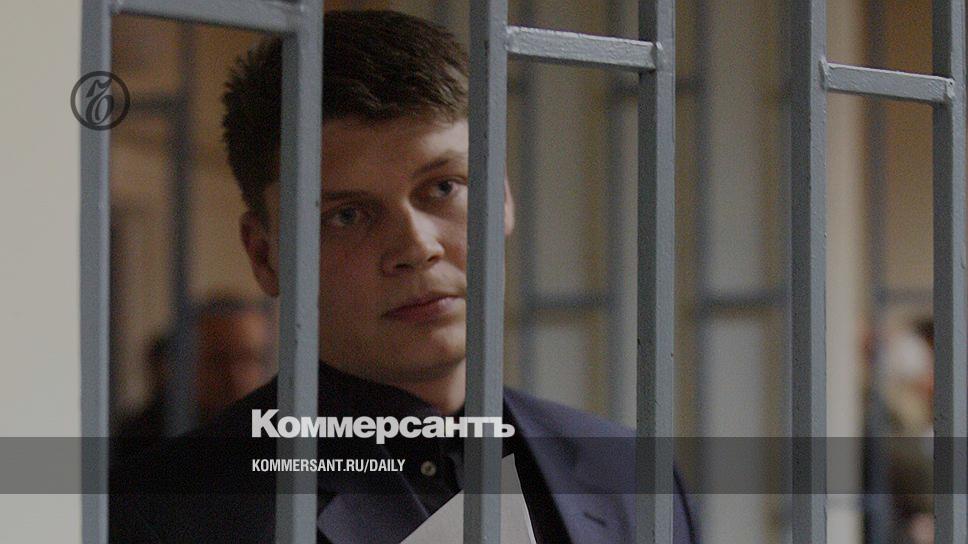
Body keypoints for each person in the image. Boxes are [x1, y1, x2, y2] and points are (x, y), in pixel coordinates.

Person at [110, 10, 698, 543]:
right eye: (347, 215)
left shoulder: (631, 473)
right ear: (266, 256)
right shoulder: (167, 515)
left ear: (501, 197)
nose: (416, 247)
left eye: (443, 187)